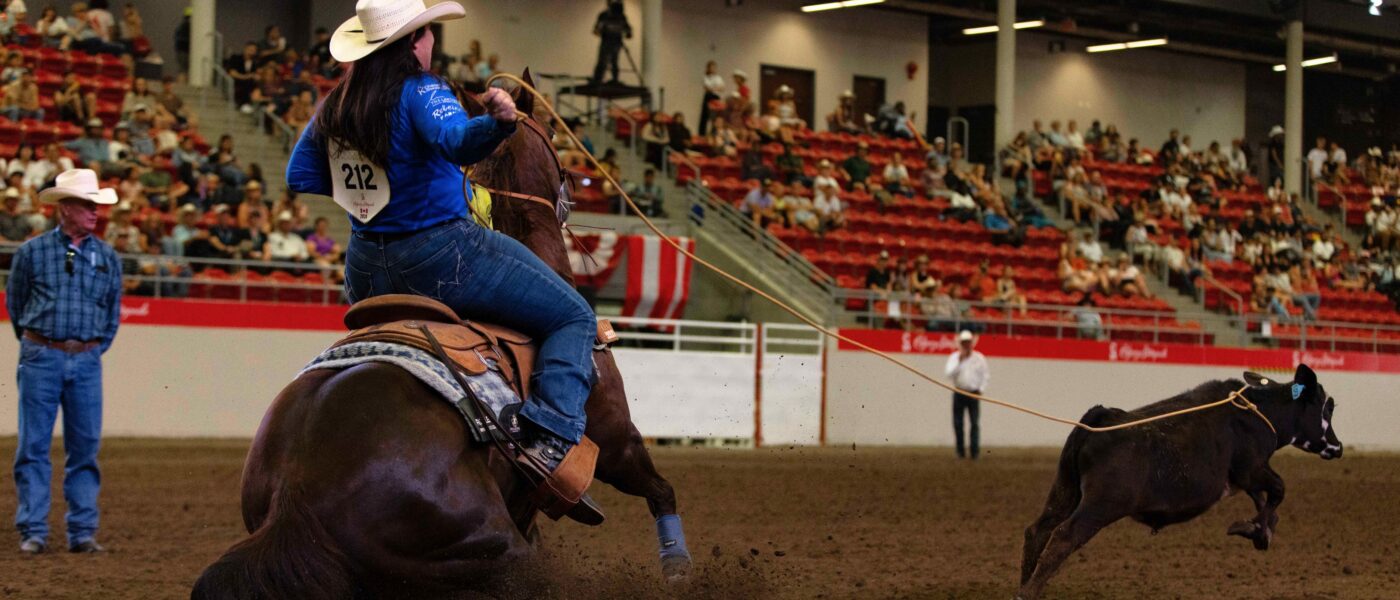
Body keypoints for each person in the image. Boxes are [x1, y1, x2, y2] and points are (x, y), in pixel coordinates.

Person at [285, 0, 602, 524]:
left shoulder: (337, 104)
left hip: (364, 271)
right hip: (441, 256)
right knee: (573, 316)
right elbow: (457, 142)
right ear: (415, 42)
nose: (432, 42)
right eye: (429, 33)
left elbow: (302, 174)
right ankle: (551, 440)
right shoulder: (423, 90)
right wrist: (499, 122)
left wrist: (377, 192)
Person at [6, 169, 123, 555]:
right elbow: (18, 306)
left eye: (96, 206)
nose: (95, 212)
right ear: (66, 208)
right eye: (88, 205)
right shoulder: (32, 252)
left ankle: (79, 531)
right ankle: (35, 529)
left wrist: (89, 347)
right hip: (44, 355)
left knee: (84, 447)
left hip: (81, 357)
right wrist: (41, 343)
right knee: (35, 445)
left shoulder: (107, 257)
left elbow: (111, 314)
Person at [944, 330, 988, 460]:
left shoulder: (979, 358)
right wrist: (960, 360)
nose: (967, 345)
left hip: (974, 394)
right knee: (958, 423)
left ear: (971, 343)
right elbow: (949, 374)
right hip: (959, 392)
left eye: (968, 342)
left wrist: (981, 389)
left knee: (974, 423)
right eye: (964, 343)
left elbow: (985, 376)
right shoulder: (954, 358)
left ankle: (975, 453)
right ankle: (960, 452)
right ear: (961, 344)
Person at [591, 0, 630, 85]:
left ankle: (607, 79)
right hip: (609, 41)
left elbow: (628, 30)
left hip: (614, 42)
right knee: (604, 61)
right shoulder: (605, 15)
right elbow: (596, 29)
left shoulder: (620, 16)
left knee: (612, 61)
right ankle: (598, 79)